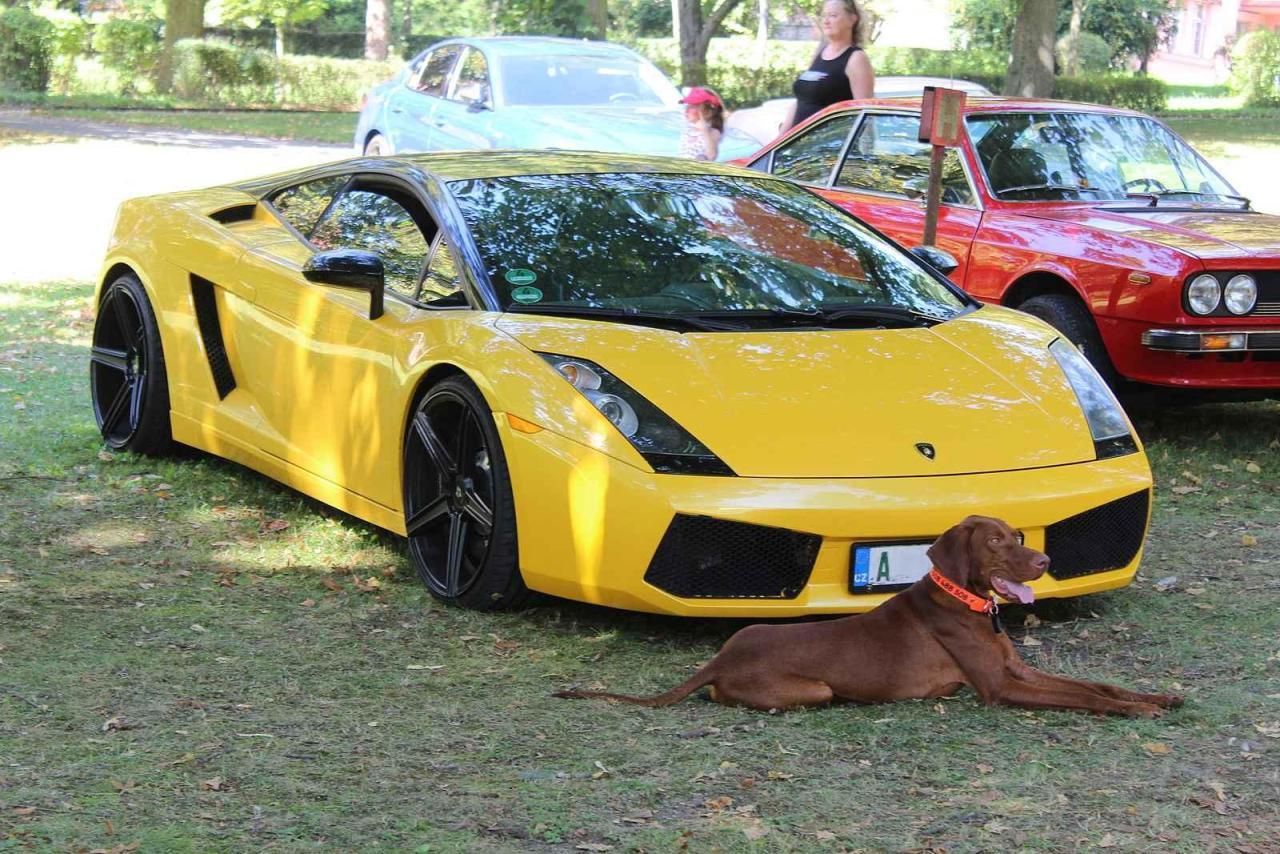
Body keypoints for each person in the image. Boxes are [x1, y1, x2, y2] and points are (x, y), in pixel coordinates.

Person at [783, 0, 875, 131]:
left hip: (828, 148)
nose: (826, 21)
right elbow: (801, 101)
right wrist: (778, 141)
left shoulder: (856, 59)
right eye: (824, 16)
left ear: (852, 20)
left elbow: (865, 114)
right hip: (798, 147)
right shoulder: (820, 52)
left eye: (833, 15)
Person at [678, 87, 724, 161]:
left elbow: (711, 156)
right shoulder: (687, 130)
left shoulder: (713, 132)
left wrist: (704, 131)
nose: (686, 110)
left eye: (692, 106)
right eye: (687, 106)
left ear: (708, 112)